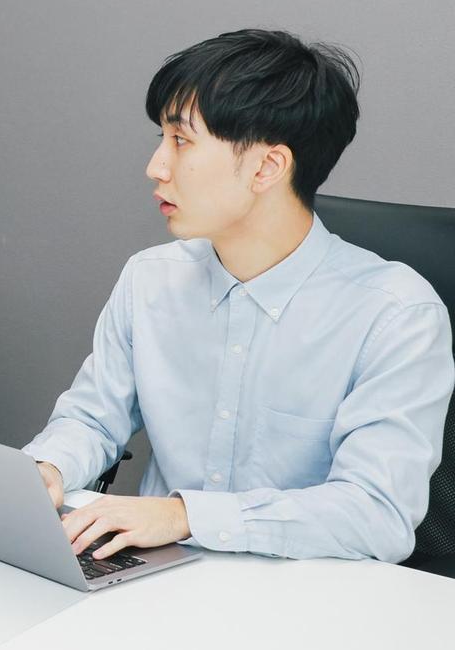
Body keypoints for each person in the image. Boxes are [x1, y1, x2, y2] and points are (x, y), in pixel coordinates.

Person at [29, 29, 453, 563]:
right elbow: (92, 418)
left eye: (181, 141)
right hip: (152, 579)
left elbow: (376, 513)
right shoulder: (150, 279)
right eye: (162, 138)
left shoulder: (395, 314)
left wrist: (185, 516)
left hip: (301, 594)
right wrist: (48, 467)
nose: (156, 167)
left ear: (267, 168)